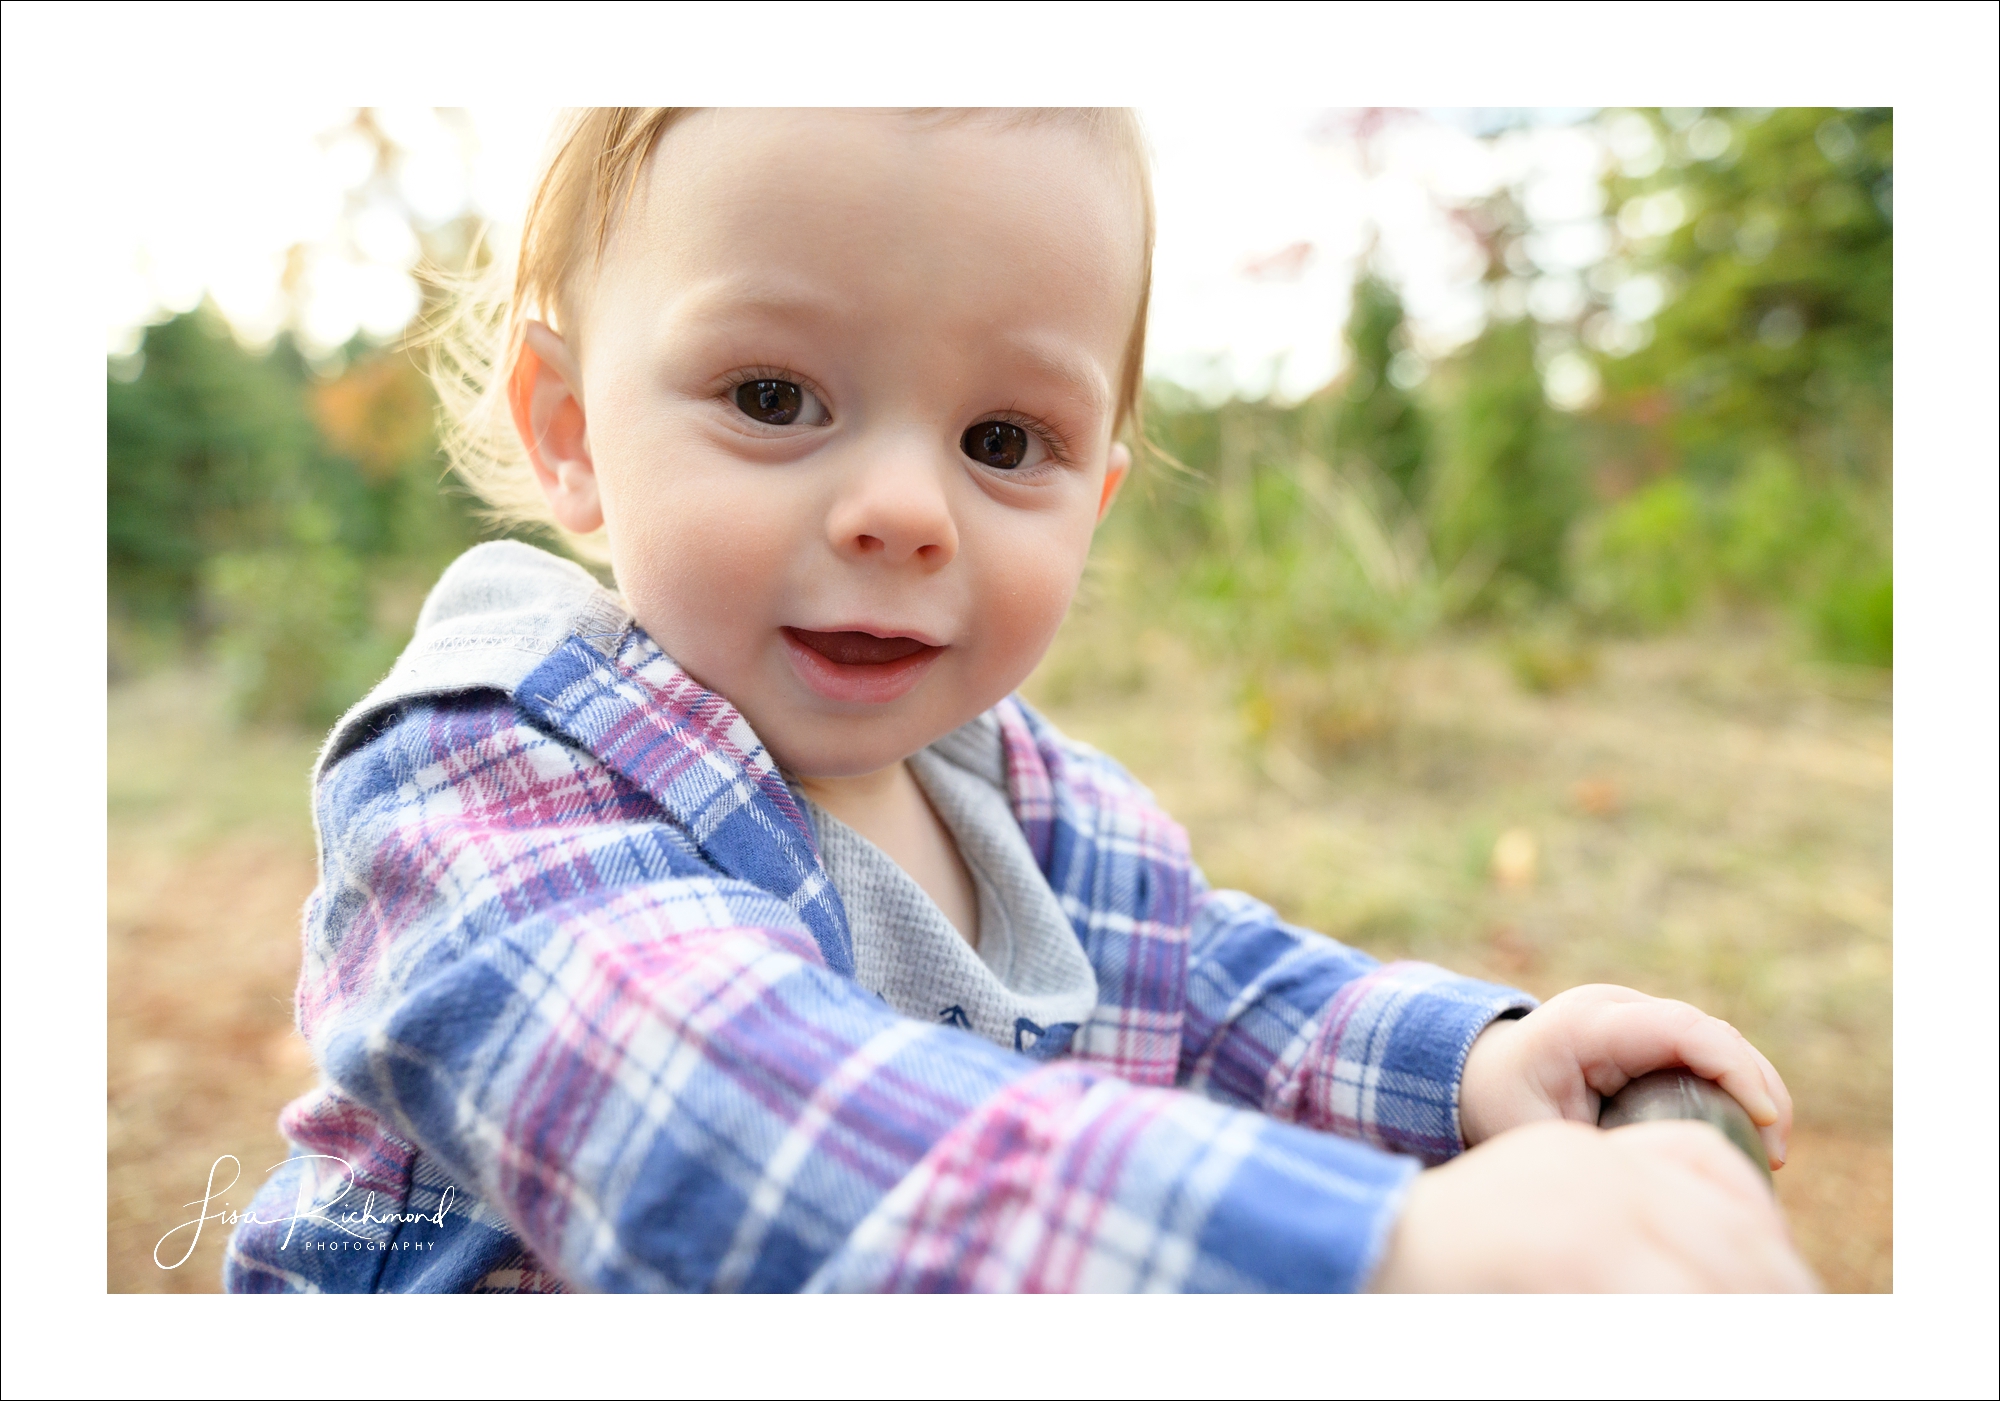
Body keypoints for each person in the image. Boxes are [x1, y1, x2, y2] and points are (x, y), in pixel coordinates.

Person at [224, 107, 1814, 1293]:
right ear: (570, 428)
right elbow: (729, 1111)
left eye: (1004, 442)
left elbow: (1209, 988)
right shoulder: (495, 767)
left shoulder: (1026, 800)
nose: (907, 508)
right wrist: (1373, 1254)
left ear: (1098, 490)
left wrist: (1469, 1063)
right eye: (776, 399)